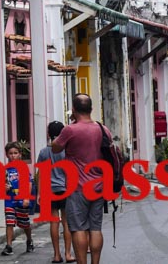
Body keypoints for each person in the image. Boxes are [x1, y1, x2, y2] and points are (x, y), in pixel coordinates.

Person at [51, 94, 105, 264]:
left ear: (73, 110)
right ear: (91, 109)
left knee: (78, 228)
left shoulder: (70, 130)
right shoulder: (102, 129)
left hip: (77, 187)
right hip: (99, 185)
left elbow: (55, 147)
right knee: (95, 228)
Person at [37, 121, 76, 263]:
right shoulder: (66, 152)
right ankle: (68, 254)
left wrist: (39, 193)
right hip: (65, 190)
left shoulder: (43, 152)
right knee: (66, 223)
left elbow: (40, 174)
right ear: (62, 133)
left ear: (48, 134)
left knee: (54, 222)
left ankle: (56, 255)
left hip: (49, 191)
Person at [2, 142, 34, 256]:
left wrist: (26, 198)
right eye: (10, 153)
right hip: (9, 200)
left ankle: (29, 240)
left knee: (24, 223)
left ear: (20, 154)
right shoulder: (5, 170)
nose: (13, 156)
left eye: (15, 153)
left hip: (21, 199)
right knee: (9, 222)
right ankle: (9, 245)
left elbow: (29, 183)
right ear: (7, 155)